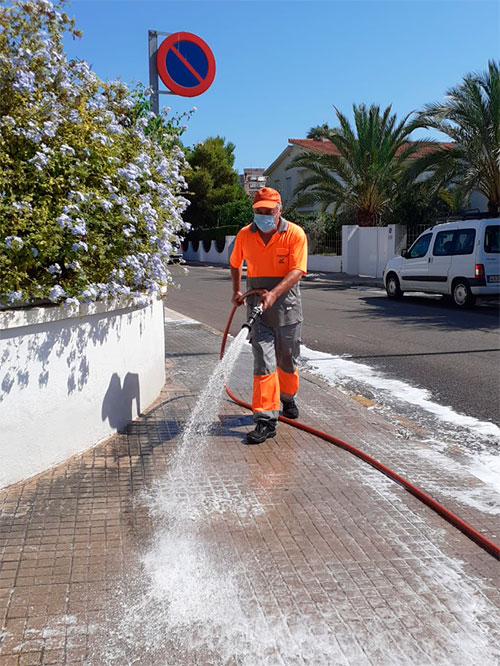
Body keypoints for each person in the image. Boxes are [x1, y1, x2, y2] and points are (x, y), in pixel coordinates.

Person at [230, 187, 308, 444]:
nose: (264, 215)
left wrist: (274, 294)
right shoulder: (245, 235)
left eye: (269, 211)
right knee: (263, 360)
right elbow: (234, 263)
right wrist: (237, 290)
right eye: (259, 211)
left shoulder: (294, 234)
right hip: (257, 306)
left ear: (279, 210)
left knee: (287, 360)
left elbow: (297, 270)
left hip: (286, 307)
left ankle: (287, 397)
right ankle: (265, 420)